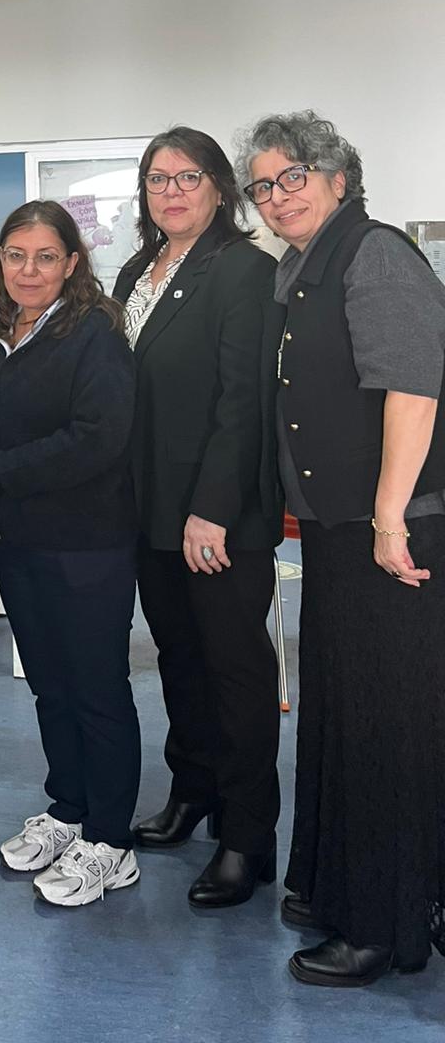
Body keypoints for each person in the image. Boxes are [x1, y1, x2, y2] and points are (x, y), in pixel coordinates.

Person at [240, 110, 445, 988]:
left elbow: (413, 387)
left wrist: (390, 516)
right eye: (262, 186)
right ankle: (346, 888)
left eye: (293, 176)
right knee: (340, 714)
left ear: (338, 178)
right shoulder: (303, 267)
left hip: (391, 532)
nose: (277, 196)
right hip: (338, 532)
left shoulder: (376, 254)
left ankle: (382, 927)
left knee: (383, 726)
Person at [0, 199, 140, 908]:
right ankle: (69, 810)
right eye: (16, 256)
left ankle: (112, 842)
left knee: (96, 688)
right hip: (19, 537)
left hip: (86, 543)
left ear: (72, 263)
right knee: (50, 686)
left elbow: (99, 437)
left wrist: (2, 472)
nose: (29, 270)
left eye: (46, 257)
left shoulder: (95, 334)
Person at [112, 129, 283, 907]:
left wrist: (211, 509)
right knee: (180, 660)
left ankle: (247, 838)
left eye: (188, 177)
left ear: (219, 187)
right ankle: (193, 791)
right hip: (150, 510)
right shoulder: (137, 272)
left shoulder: (244, 270)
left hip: (218, 520)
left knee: (235, 672)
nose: (172, 192)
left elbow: (244, 401)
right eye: (158, 179)